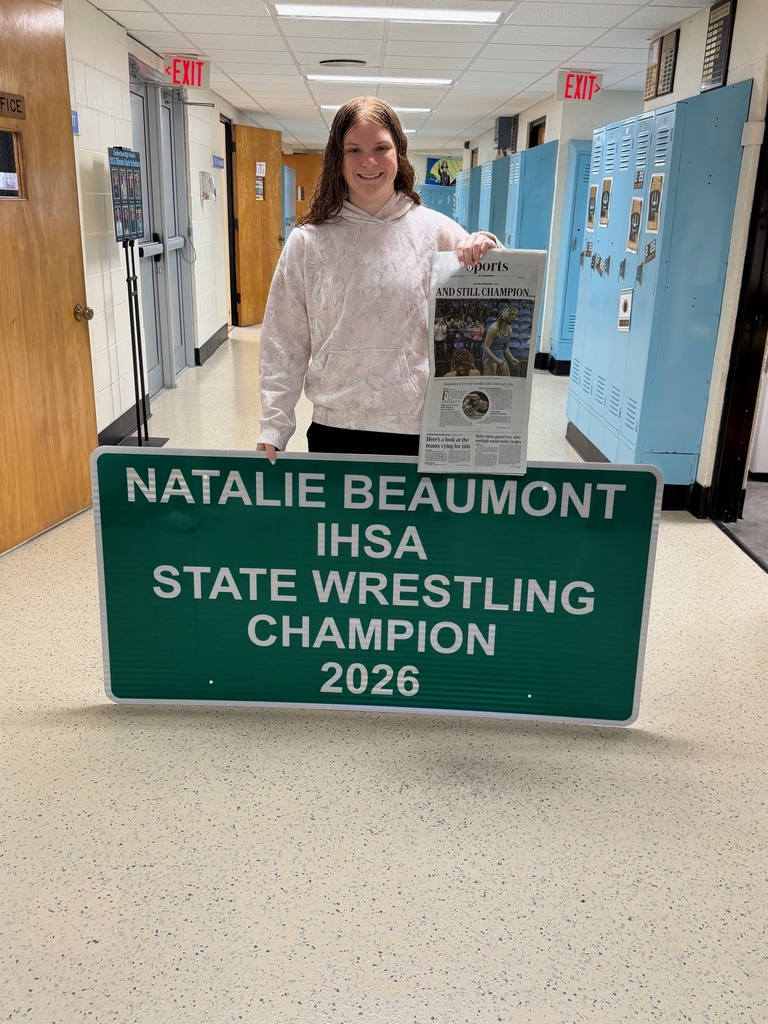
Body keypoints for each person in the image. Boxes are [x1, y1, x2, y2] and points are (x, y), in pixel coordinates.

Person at [257, 96, 498, 462]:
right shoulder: (308, 241)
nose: (368, 161)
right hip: (336, 428)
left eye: (380, 148)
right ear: (336, 160)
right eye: (353, 149)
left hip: (420, 429)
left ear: (399, 153)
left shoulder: (437, 232)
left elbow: (497, 294)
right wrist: (274, 426)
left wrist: (488, 246)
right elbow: (283, 340)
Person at [482, 305, 519, 376]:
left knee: (506, 378)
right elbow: (486, 348)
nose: (514, 317)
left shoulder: (509, 330)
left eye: (515, 315)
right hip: (489, 356)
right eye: (512, 314)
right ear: (505, 314)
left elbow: (505, 348)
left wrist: (512, 359)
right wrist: (496, 360)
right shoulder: (494, 328)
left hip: (500, 356)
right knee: (493, 366)